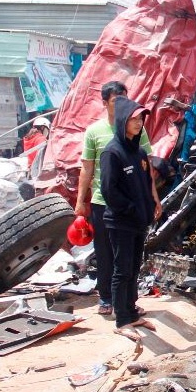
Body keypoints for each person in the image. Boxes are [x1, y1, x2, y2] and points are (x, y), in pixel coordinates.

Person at [75, 81, 159, 316]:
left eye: (124, 99)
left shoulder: (137, 129)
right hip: (104, 202)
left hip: (132, 204)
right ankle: (106, 298)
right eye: (115, 101)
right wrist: (81, 201)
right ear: (105, 104)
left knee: (130, 257)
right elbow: (87, 168)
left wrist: (154, 199)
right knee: (105, 253)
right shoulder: (95, 132)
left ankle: (128, 303)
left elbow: (146, 167)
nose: (121, 105)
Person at [100, 97, 159, 340]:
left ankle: (132, 311)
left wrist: (152, 203)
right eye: (134, 119)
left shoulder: (140, 152)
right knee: (122, 270)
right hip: (121, 221)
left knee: (134, 268)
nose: (138, 123)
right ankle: (121, 319)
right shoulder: (112, 152)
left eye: (141, 119)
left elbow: (146, 183)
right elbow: (108, 191)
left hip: (138, 222)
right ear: (123, 121)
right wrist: (131, 208)